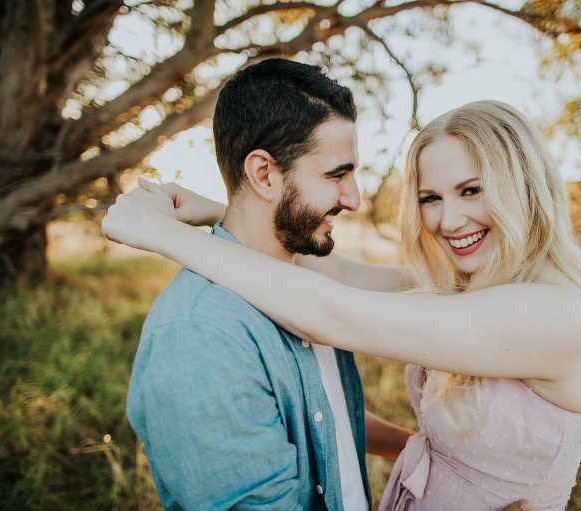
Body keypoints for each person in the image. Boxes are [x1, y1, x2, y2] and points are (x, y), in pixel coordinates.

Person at [102, 100, 581, 510]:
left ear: (525, 186)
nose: (448, 221)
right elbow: (345, 275)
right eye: (430, 198)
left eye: (472, 190)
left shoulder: (561, 316)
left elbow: (338, 312)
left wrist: (161, 235)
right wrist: (223, 212)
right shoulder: (477, 288)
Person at [123, 57, 421, 511]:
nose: (354, 198)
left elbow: (327, 416)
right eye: (336, 174)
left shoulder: (305, 282)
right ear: (264, 174)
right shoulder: (201, 335)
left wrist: (416, 450)